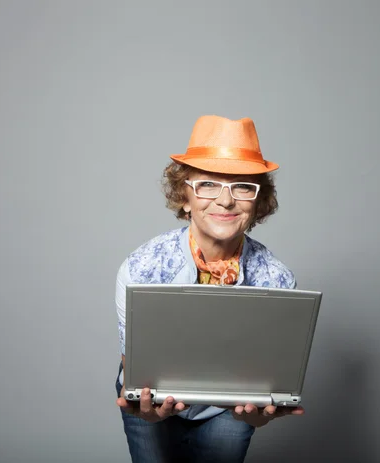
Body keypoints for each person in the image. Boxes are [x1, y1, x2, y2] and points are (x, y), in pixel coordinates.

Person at [114, 115, 304, 462]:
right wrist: (144, 409)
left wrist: (259, 415)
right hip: (152, 400)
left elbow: (267, 381)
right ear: (184, 196)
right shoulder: (141, 268)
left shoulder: (277, 281)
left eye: (242, 186)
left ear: (257, 203)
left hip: (229, 408)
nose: (226, 201)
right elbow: (134, 368)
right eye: (208, 185)